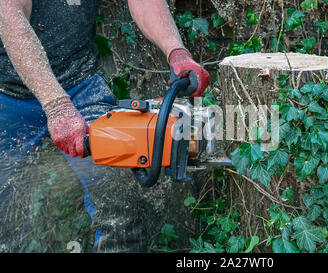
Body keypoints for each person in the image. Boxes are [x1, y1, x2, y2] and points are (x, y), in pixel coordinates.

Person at [0, 0, 210, 252]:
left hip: (80, 83)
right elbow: (9, 17)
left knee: (118, 199)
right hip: (7, 91)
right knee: (5, 219)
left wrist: (176, 52)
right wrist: (56, 105)